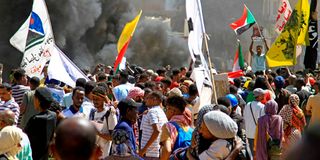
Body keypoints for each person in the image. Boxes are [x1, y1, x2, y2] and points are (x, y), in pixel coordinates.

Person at [24, 87, 57, 160]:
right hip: (45, 156)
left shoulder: (35, 119)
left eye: (34, 98)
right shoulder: (53, 115)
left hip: (33, 156)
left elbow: (24, 138)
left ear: (38, 101)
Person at [160, 96, 192, 160]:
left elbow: (167, 150)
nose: (165, 112)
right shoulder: (191, 129)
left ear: (172, 111)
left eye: (166, 109)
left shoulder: (168, 126)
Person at [90, 86, 118, 158]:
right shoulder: (93, 112)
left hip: (105, 155)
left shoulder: (109, 113)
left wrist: (99, 133)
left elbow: (113, 137)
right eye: (94, 99)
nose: (95, 101)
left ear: (103, 99)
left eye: (97, 99)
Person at [140, 91, 168, 159]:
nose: (145, 100)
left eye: (148, 98)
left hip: (149, 153)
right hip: (156, 152)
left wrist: (144, 149)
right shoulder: (161, 111)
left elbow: (157, 130)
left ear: (154, 100)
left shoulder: (152, 111)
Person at [243, 88, 265, 154]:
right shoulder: (262, 106)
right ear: (260, 96)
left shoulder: (248, 104)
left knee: (251, 154)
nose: (264, 96)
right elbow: (262, 122)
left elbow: (244, 116)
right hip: (257, 134)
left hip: (248, 133)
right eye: (263, 95)